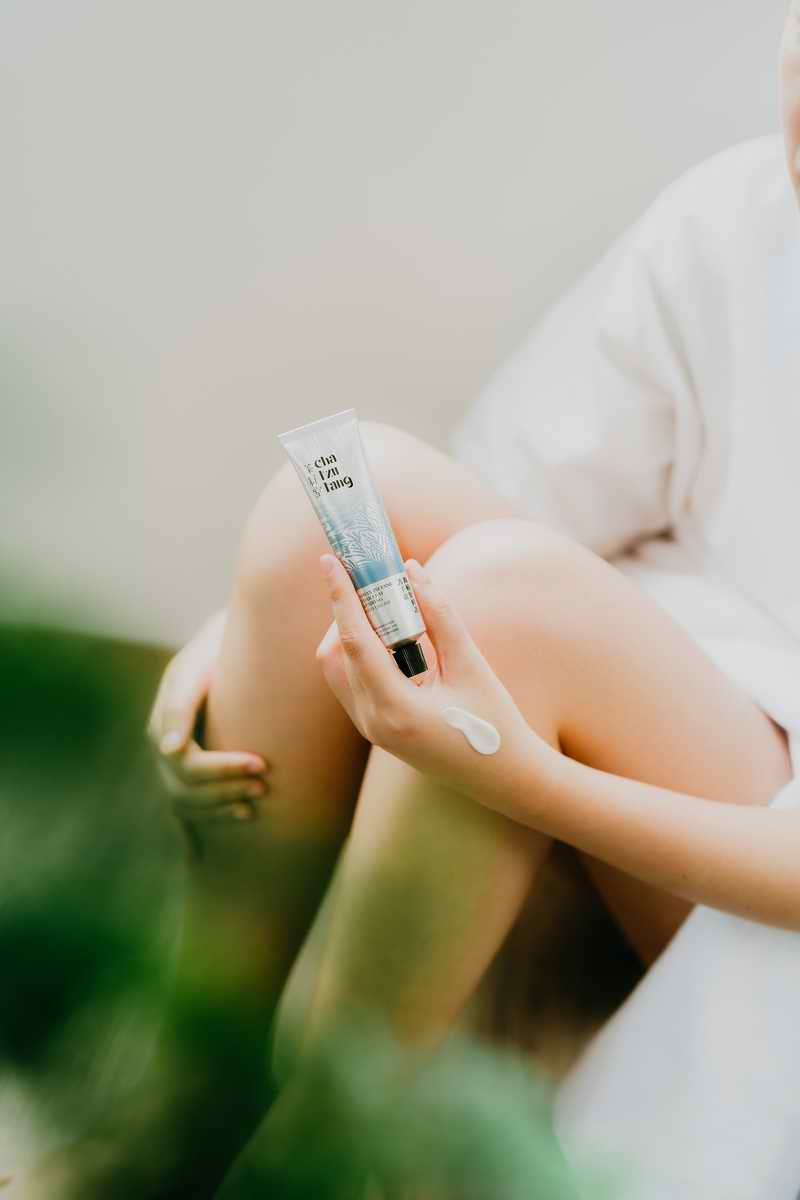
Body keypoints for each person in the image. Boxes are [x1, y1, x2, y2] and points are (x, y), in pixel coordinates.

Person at [147, 3, 800, 1193]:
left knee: (501, 607)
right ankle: (184, 1088)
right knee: (328, 510)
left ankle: (307, 1160)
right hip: (674, 715)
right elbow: (521, 481)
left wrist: (526, 779)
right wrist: (239, 634)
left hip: (768, 877)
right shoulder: (740, 216)